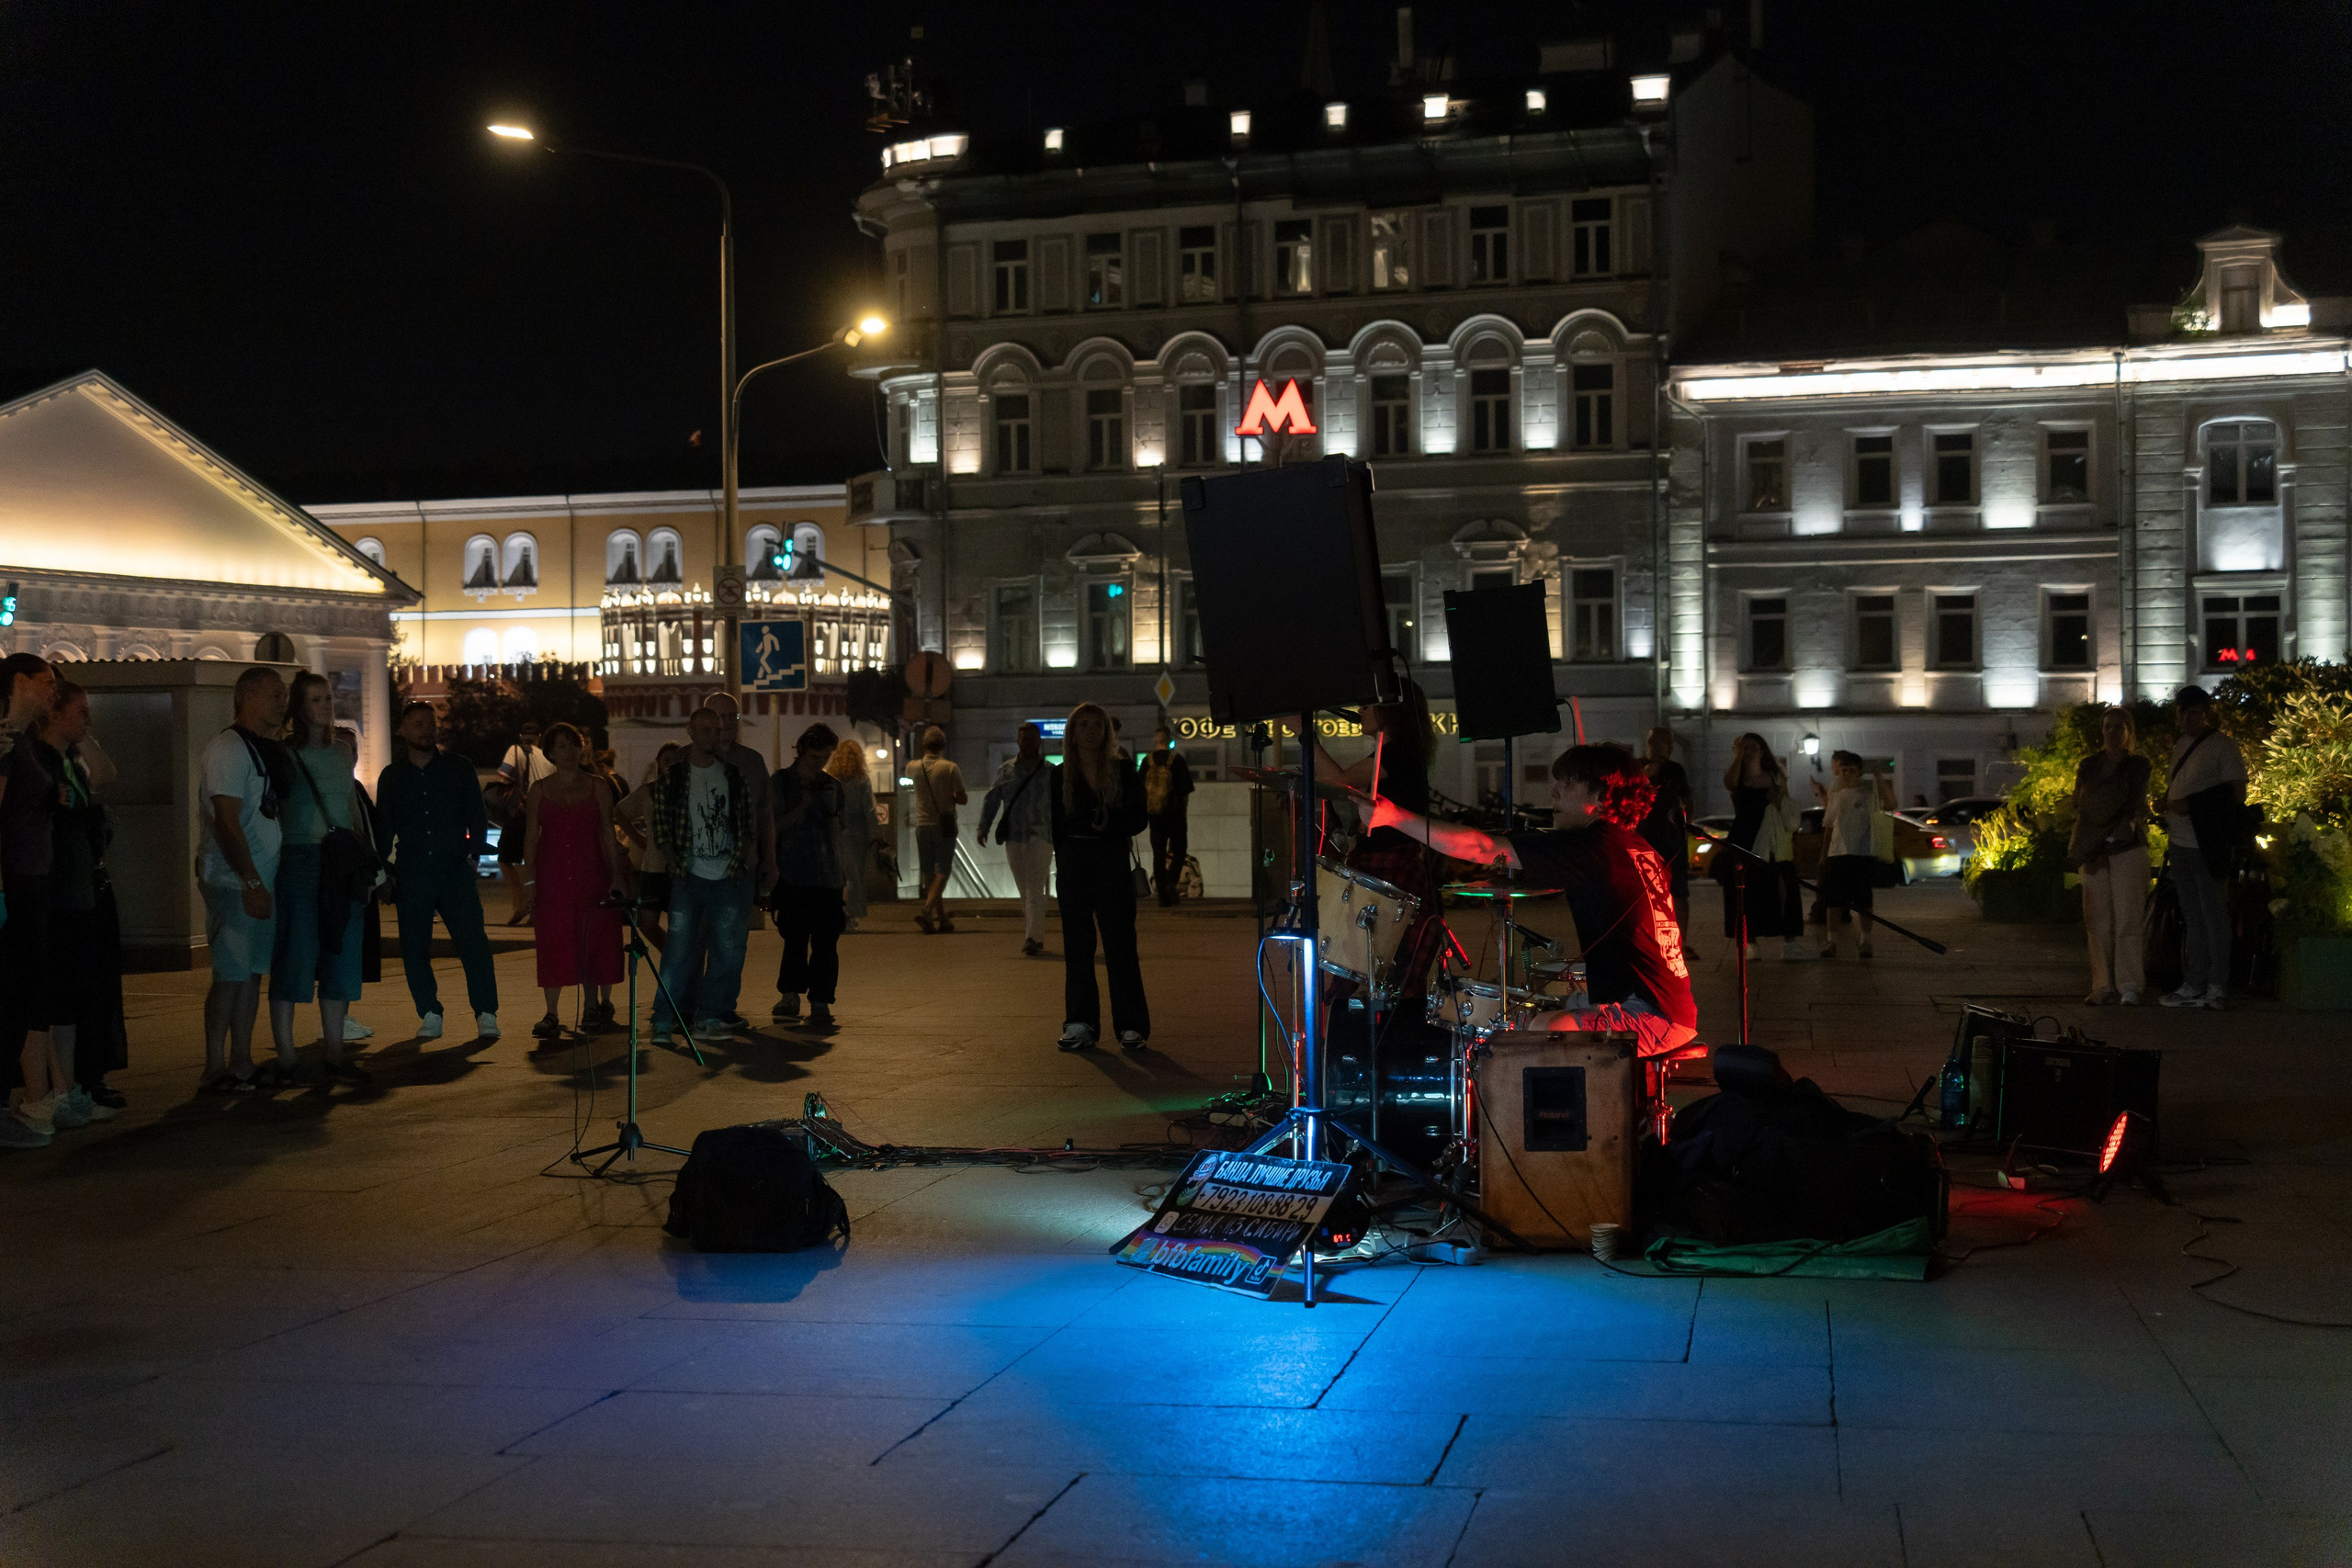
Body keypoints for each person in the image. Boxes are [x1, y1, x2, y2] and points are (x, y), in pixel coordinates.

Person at [1370, 745, 1698, 1058]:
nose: (1553, 791)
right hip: (1655, 1002)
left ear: (1600, 798)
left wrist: (1393, 816)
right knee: (1526, 1017)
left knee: (1544, 1029)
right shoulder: (1633, 847)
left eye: (1567, 784)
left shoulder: (1595, 847)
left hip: (1652, 1014)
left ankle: (1559, 1116)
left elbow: (1482, 848)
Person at [1292, 682, 1445, 1004]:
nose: (1361, 710)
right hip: (1385, 864)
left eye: (1368, 705)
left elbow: (1340, 781)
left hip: (1392, 867)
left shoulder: (1397, 753)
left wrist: (1306, 736)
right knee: (1371, 961)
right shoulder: (1394, 753)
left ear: (1390, 711)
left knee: (1375, 960)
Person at [261, 671, 370, 1087]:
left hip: (340, 859)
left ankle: (335, 1053)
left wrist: (364, 854)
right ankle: (287, 1056)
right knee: (296, 953)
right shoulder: (285, 754)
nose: (326, 707)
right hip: (302, 857)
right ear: (299, 708)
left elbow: (350, 804)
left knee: (340, 957)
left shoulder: (343, 751)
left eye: (328, 699)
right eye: (317, 701)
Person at [191, 667, 291, 1094]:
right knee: (231, 974)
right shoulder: (228, 749)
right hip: (235, 882)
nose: (283, 702)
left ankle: (242, 1060)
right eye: (274, 694)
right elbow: (226, 821)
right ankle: (215, 1065)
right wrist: (250, 880)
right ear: (247, 697)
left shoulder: (267, 749)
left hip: (259, 880)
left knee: (250, 973)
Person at [376, 700, 501, 1041]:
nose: (425, 730)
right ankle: (429, 1011)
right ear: (403, 730)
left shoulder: (459, 768)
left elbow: (477, 814)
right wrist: (383, 870)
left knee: (473, 942)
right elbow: (383, 828)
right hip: (413, 871)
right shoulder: (393, 776)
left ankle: (486, 1011)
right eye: (417, 724)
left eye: (430, 724)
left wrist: (474, 856)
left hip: (454, 869)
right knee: (414, 946)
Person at [0, 654, 80, 1144]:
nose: (54, 690)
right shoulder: (8, 741)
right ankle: (22, 1101)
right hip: (17, 880)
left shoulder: (22, 741)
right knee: (17, 993)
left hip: (34, 876)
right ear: (21, 682)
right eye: (47, 682)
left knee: (29, 992)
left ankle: (34, 1097)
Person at [42, 681, 129, 1115]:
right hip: (62, 890)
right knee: (66, 992)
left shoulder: (72, 760)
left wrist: (82, 734)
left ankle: (82, 1079)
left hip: (86, 884)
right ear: (54, 713)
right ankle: (65, 1086)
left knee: (89, 988)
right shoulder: (42, 763)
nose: (89, 720)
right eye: (81, 712)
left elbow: (108, 772)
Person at [648, 706, 758, 1043]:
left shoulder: (732, 775)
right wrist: (674, 861)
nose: (716, 736)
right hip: (690, 874)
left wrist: (741, 860)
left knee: (728, 950)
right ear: (692, 732)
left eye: (720, 729)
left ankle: (709, 1016)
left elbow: (745, 822)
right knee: (679, 951)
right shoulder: (674, 777)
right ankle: (664, 1020)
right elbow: (663, 826)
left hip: (727, 874)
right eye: (708, 730)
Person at [1051, 702, 1150, 1051]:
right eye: (1083, 725)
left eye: (1097, 725)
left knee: (1120, 943)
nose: (1090, 731)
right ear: (1073, 733)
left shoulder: (1123, 771)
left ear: (1107, 731)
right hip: (1075, 862)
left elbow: (1140, 816)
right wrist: (1063, 863)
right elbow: (1056, 826)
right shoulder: (1060, 774)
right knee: (1077, 945)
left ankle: (1131, 1025)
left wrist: (1114, 823)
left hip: (1110, 859)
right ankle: (1080, 1022)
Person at [523, 722, 625, 1041]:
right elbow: (531, 838)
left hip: (592, 873)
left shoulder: (598, 786)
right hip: (553, 877)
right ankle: (551, 1012)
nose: (569, 752)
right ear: (550, 752)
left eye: (573, 744)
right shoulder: (539, 789)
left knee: (593, 938)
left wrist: (617, 874)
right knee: (553, 941)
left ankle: (593, 1006)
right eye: (561, 746)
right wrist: (529, 882)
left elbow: (607, 833)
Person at [2155, 685, 2246, 1010]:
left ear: (2205, 714)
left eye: (2193, 712)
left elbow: (2237, 794)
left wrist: (2191, 805)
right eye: (2182, 712)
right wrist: (2169, 805)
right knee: (2193, 916)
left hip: (2207, 845)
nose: (2186, 718)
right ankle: (2195, 983)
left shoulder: (2223, 747)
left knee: (2213, 915)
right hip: (2180, 841)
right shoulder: (2180, 746)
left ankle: (2216, 984)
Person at [2072, 706, 2152, 1006]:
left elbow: (2131, 804)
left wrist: (2105, 831)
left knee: (2128, 917)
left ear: (2129, 731)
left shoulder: (2137, 766)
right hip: (2094, 849)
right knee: (2097, 921)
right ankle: (2102, 983)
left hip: (2126, 847)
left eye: (2119, 727)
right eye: (2108, 727)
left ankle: (2129, 984)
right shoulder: (2089, 765)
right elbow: (2080, 803)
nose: (2113, 733)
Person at [770, 724, 847, 1027]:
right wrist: (800, 807)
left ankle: (821, 1000)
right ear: (802, 751)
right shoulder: (781, 782)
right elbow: (773, 827)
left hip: (826, 874)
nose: (821, 764)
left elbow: (838, 832)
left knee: (827, 941)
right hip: (791, 872)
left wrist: (829, 810)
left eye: (826, 757)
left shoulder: (832, 786)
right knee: (795, 938)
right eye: (816, 757)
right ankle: (790, 994)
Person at [1720, 732, 1807, 961]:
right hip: (1744, 839)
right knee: (1746, 892)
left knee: (1784, 888)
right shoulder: (1736, 777)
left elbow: (1786, 804)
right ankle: (1750, 942)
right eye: (1745, 747)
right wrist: (1738, 757)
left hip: (1774, 840)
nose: (1749, 751)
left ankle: (1789, 942)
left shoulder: (1775, 777)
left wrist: (1779, 801)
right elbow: (1729, 783)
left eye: (1753, 747)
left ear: (1762, 750)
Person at [1809, 750, 1896, 960]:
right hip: (1837, 855)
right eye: (1844, 770)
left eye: (1852, 770)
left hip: (1861, 854)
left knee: (1864, 901)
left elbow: (1892, 804)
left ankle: (1865, 940)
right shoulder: (1836, 797)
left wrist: (1878, 776)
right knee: (1833, 902)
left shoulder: (1868, 795)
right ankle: (1832, 941)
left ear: (1859, 773)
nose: (1847, 774)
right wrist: (1823, 856)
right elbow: (1829, 827)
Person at [978, 722, 1055, 955]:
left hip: (1041, 834)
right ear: (1018, 741)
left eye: (1031, 739)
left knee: (1034, 886)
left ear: (1038, 741)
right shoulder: (1006, 770)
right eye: (1023, 739)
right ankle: (1036, 935)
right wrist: (983, 827)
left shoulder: (1050, 771)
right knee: (1025, 889)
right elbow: (992, 799)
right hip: (1014, 835)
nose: (1027, 743)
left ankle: (1031, 937)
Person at [615, 743, 683, 954]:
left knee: (680, 924)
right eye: (666, 760)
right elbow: (619, 812)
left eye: (675, 760)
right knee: (647, 921)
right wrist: (638, 838)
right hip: (653, 865)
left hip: (681, 867)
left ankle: (680, 964)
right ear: (658, 763)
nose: (670, 764)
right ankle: (671, 956)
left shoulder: (689, 791)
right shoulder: (649, 791)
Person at [909, 726, 967, 933]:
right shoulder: (950, 768)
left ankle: (942, 919)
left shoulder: (912, 767)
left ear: (924, 745)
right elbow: (962, 798)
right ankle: (927, 909)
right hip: (945, 825)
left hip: (922, 825)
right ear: (943, 745)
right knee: (943, 871)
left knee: (929, 874)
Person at [1637, 726, 1694, 933]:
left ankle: (1682, 941)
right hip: (1643, 838)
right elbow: (1625, 798)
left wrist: (1685, 826)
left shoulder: (1676, 770)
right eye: (1657, 742)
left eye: (1667, 742)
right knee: (1644, 890)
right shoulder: (1637, 767)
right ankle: (1648, 935)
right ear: (1649, 743)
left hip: (1672, 838)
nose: (1664, 747)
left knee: (1679, 890)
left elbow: (1688, 800)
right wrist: (1645, 776)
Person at [496, 721, 553, 924]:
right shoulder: (547, 757)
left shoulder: (515, 750)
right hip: (544, 816)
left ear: (521, 736)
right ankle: (536, 909)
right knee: (536, 863)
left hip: (521, 814)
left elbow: (503, 775)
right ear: (539, 737)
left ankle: (521, 903)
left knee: (504, 857)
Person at [824, 737, 876, 931]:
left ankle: (838, 912)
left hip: (835, 832)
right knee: (854, 876)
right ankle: (847, 913)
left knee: (839, 875)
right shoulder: (862, 780)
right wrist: (876, 835)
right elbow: (869, 810)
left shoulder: (830, 779)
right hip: (857, 833)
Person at [1141, 725, 1195, 907]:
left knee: (1158, 853)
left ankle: (1162, 896)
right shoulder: (1177, 761)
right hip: (1175, 815)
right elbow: (1185, 791)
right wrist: (1184, 814)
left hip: (1154, 815)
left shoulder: (1147, 761)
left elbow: (1140, 789)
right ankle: (1171, 882)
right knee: (1180, 850)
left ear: (1156, 741)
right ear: (1170, 740)